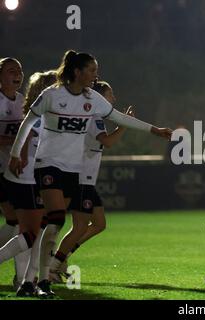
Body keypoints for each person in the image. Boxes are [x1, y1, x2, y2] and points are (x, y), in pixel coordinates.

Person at [8, 50, 172, 298]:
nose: (96, 75)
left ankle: (36, 282)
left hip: (73, 168)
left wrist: (154, 130)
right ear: (77, 71)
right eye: (92, 70)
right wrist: (15, 154)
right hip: (48, 163)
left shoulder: (92, 98)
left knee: (51, 224)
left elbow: (118, 118)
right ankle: (36, 281)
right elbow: (28, 122)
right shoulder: (52, 95)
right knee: (55, 219)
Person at [48, 81, 133, 284]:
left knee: (99, 224)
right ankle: (52, 267)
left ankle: (62, 258)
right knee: (79, 226)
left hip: (86, 179)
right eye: (110, 94)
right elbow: (109, 142)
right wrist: (125, 124)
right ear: (100, 98)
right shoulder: (93, 118)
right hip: (81, 179)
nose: (113, 98)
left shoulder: (95, 118)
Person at [0, 70, 57, 297]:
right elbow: (26, 136)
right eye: (56, 85)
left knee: (29, 232)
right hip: (27, 177)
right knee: (34, 233)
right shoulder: (40, 112)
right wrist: (20, 157)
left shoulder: (47, 110)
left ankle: (26, 283)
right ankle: (29, 282)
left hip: (31, 176)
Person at [0, 57, 28, 290]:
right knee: (19, 221)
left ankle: (21, 280)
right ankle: (22, 280)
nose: (17, 74)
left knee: (16, 220)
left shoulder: (22, 102)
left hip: (10, 171)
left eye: (19, 70)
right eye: (11, 70)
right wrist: (18, 139)